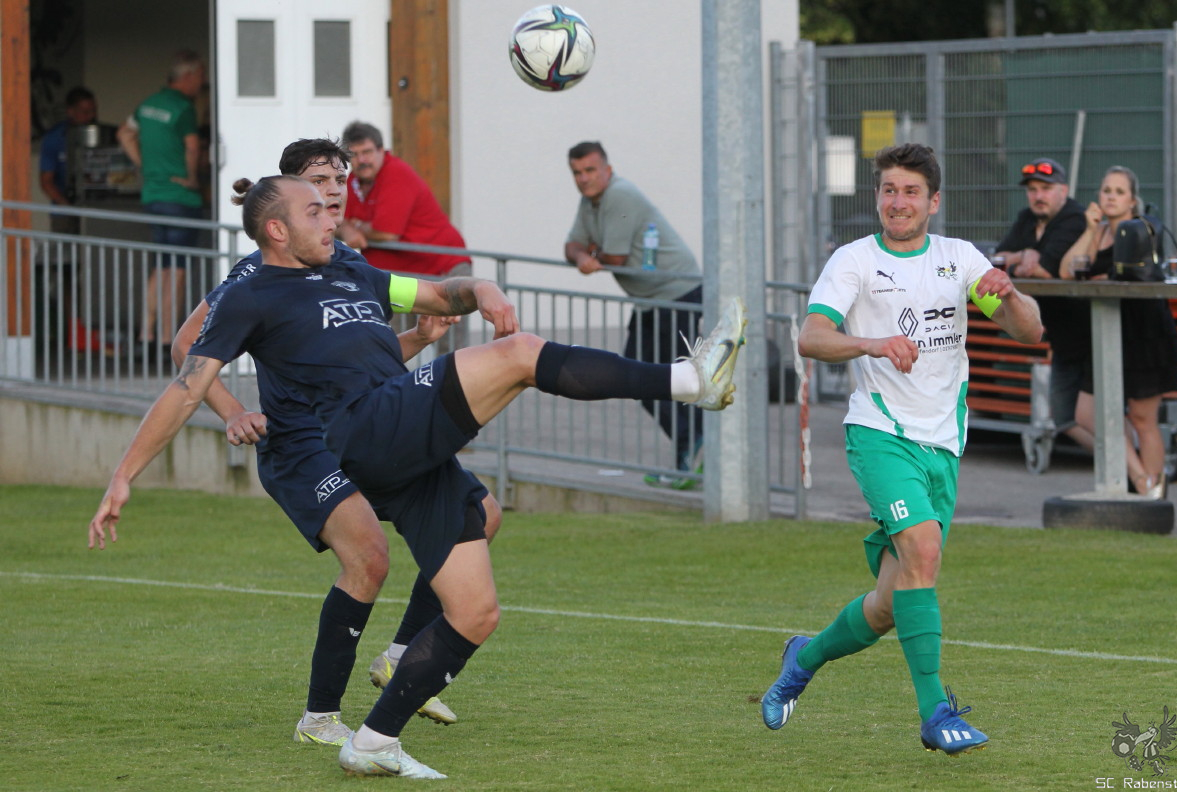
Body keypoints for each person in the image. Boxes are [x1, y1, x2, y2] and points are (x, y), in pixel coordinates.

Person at [89, 174, 747, 779]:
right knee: (519, 355)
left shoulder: (349, 266)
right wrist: (124, 476)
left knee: (476, 612)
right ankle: (690, 379)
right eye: (315, 210)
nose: (332, 216)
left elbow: (431, 295)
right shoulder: (248, 292)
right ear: (277, 230)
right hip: (367, 427)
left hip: (403, 448)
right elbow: (185, 385)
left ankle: (373, 741)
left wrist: (479, 289)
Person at [169, 138, 488, 741]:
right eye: (319, 182)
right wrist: (233, 410)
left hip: (361, 429)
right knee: (368, 558)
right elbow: (187, 345)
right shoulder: (255, 273)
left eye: (340, 178)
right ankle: (320, 717)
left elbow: (354, 366)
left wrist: (420, 338)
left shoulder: (347, 262)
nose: (335, 190)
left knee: (482, 514)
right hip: (303, 443)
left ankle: (399, 655)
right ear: (288, 197)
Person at [760, 144, 1043, 755]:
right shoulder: (855, 260)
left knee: (891, 603)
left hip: (942, 446)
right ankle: (936, 712)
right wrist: (872, 343)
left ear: (933, 202)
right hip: (880, 433)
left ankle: (802, 658)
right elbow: (812, 337)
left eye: (911, 192)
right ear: (878, 197)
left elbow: (1030, 330)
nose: (898, 202)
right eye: (889, 190)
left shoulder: (958, 259)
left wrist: (1011, 295)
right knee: (924, 549)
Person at [563, 141, 704, 489]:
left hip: (677, 293)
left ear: (608, 170)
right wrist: (583, 256)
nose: (583, 179)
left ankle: (696, 454)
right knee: (635, 377)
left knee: (665, 379)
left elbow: (615, 258)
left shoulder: (619, 194)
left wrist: (592, 253)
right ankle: (694, 452)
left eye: (590, 170)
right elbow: (571, 246)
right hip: (650, 300)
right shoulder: (590, 201)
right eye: (577, 173)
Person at [1057, 166, 1177, 498]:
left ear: (1132, 201)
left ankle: (1153, 496)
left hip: (1143, 331)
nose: (1111, 197)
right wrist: (1090, 230)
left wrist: (1105, 278)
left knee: (1143, 418)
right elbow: (1068, 271)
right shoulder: (1098, 232)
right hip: (1105, 332)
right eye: (1106, 190)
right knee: (1087, 413)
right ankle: (1142, 480)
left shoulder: (1141, 230)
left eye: (1119, 192)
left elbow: (1136, 275)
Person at [337, 121, 470, 352]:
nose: (361, 160)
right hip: (397, 277)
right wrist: (347, 228)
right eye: (354, 155)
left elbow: (387, 232)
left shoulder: (396, 174)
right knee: (389, 345)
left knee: (449, 349)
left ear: (382, 150)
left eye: (367, 152)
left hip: (442, 268)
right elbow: (334, 220)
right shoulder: (352, 181)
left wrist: (356, 225)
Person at [117, 49, 207, 364]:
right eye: (200, 76)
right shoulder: (183, 108)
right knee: (177, 269)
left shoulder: (148, 105)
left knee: (161, 266)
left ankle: (146, 336)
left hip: (153, 195)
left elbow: (124, 133)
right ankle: (168, 340)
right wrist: (192, 179)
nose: (202, 83)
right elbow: (193, 147)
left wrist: (144, 164)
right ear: (188, 76)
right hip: (180, 198)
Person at [993, 158, 1090, 449]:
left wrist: (1025, 261)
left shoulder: (1075, 218)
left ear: (1063, 190)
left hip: (1093, 333)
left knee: (1089, 415)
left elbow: (1047, 269)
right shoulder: (1027, 218)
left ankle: (1130, 467)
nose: (1038, 196)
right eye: (1032, 189)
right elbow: (997, 259)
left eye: (1046, 189)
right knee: (1065, 418)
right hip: (1060, 336)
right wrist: (1024, 255)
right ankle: (1125, 467)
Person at [39, 86, 100, 235]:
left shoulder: (100, 134)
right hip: (64, 211)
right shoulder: (55, 138)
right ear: (70, 111)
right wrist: (68, 208)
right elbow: (46, 181)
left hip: (97, 208)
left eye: (93, 111)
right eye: (85, 112)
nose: (90, 116)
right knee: (65, 247)